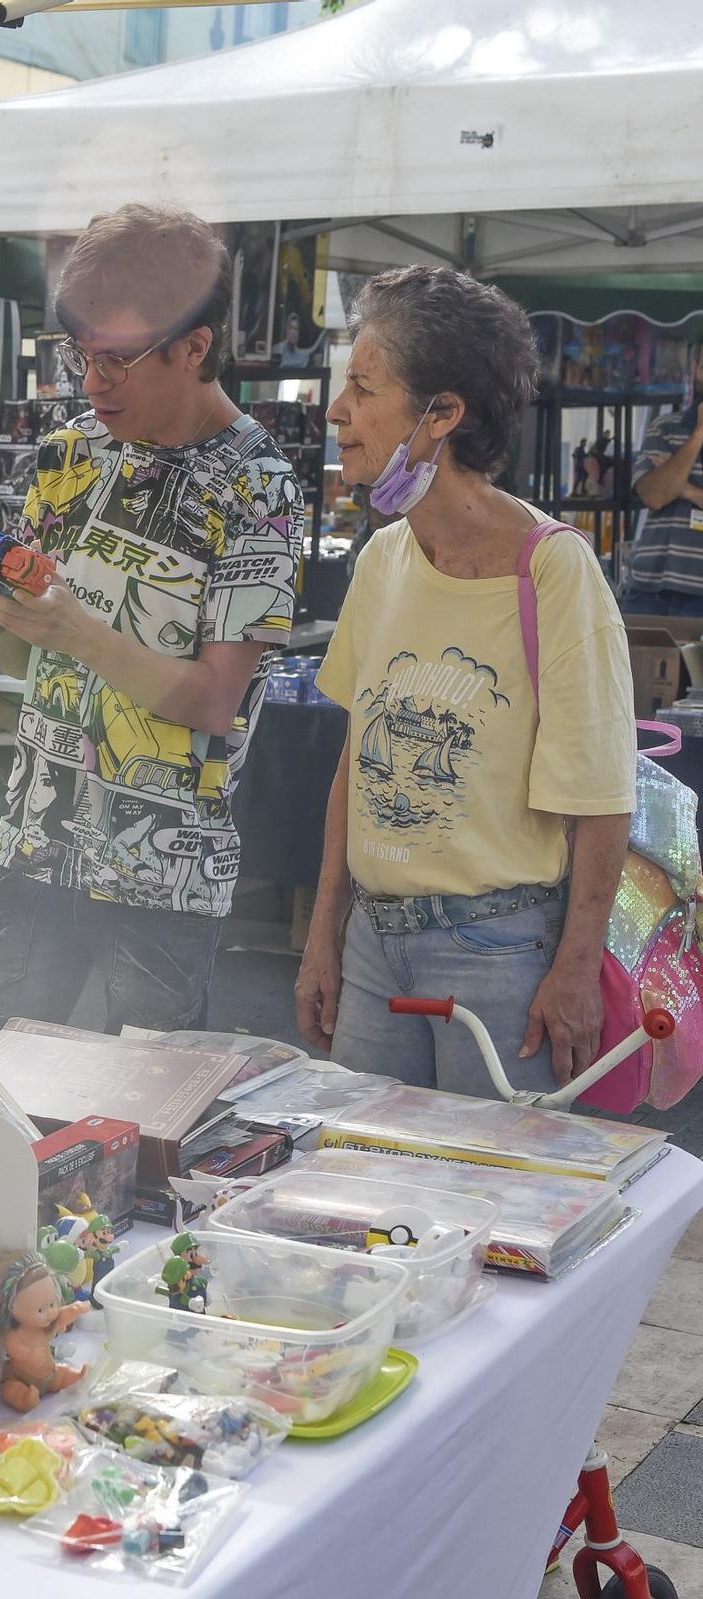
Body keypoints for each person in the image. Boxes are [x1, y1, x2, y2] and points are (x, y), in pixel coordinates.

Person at [0, 203, 303, 1034]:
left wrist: (71, 631)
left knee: (144, 1115)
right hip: (33, 839)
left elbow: (213, 699)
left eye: (118, 359)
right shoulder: (68, 455)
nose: (92, 383)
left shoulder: (258, 485)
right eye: (79, 355)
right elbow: (20, 668)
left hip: (163, 870)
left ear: (194, 346)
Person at [294, 264, 637, 1097]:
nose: (337, 411)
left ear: (442, 413)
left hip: (499, 951)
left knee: (486, 1204)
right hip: (373, 942)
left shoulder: (551, 570)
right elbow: (355, 764)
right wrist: (322, 932)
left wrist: (573, 971)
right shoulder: (383, 558)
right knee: (366, 1185)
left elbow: (601, 795)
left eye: (364, 388)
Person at [621, 342, 703, 618]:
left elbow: (665, 488)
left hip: (699, 596)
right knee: (634, 661)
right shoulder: (665, 427)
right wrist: (699, 434)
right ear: (693, 369)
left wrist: (685, 488)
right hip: (647, 588)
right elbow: (653, 495)